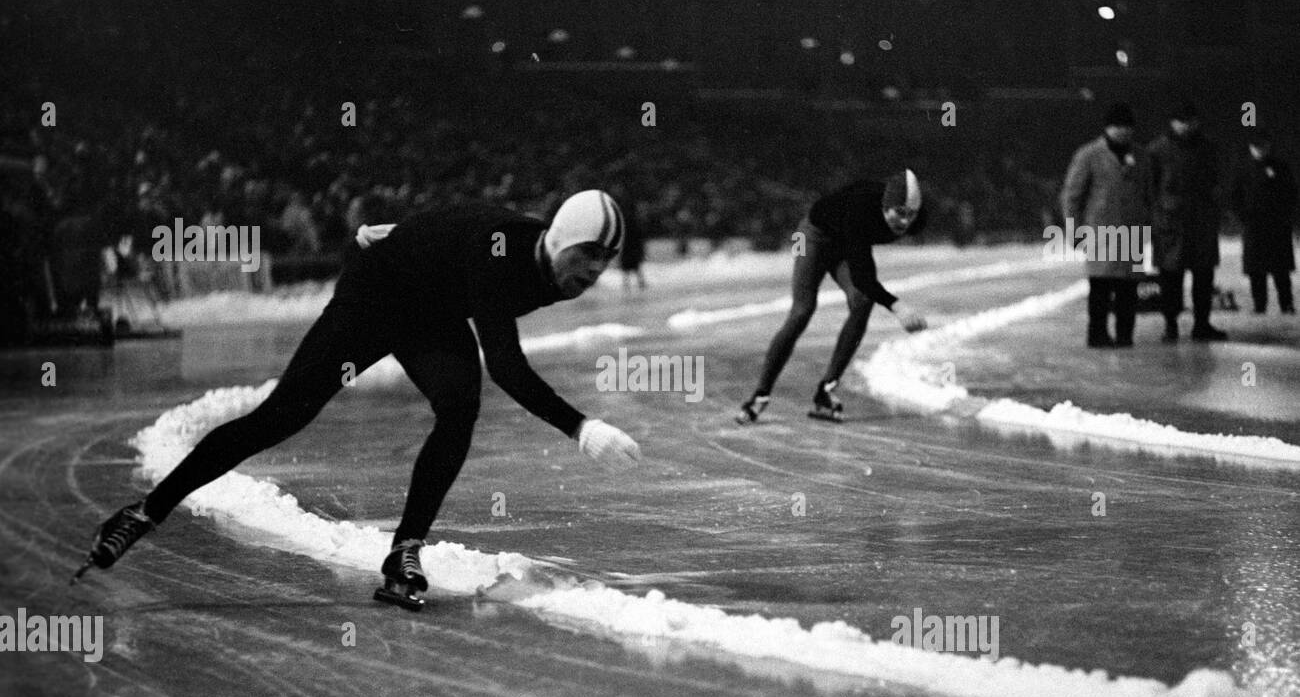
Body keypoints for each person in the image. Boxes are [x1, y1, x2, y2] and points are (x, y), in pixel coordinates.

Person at [77, 190, 642, 608]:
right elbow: (507, 365)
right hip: (376, 295)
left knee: (458, 410)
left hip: (432, 311)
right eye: (589, 253)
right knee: (284, 415)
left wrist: (402, 230)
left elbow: (460, 224)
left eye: (606, 260)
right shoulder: (506, 258)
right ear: (563, 238)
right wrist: (579, 426)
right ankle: (144, 512)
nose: (593, 271)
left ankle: (404, 550)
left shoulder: (545, 257)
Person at [737, 170, 928, 424]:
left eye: (911, 214)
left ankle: (826, 390)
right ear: (885, 205)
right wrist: (897, 306)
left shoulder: (916, 218)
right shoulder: (860, 213)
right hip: (807, 235)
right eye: (899, 213)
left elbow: (862, 276)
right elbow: (863, 277)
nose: (905, 222)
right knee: (802, 310)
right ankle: (760, 394)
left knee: (862, 301)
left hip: (843, 241)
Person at [1060, 102, 1151, 347]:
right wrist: (1075, 231)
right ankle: (1097, 334)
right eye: (1117, 126)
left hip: (1131, 232)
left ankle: (1125, 335)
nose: (1123, 131)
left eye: (1127, 127)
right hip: (1099, 232)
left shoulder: (1141, 156)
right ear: (1107, 128)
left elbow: (1148, 193)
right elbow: (1072, 196)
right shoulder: (1088, 155)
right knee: (1100, 287)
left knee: (1128, 289)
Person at [1147, 100, 1227, 342]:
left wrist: (1215, 209)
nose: (1186, 126)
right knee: (1170, 278)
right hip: (1170, 225)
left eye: (1190, 121)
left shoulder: (1208, 148)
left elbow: (1218, 181)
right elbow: (1150, 188)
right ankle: (1170, 325)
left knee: (1204, 278)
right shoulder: (1157, 150)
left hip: (1201, 222)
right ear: (1172, 122)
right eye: (1181, 121)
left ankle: (1201, 324)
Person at [1231, 127, 1296, 314]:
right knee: (1256, 270)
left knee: (1280, 270)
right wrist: (1244, 217)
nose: (1260, 150)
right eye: (1256, 146)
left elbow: (1291, 194)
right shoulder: (1243, 168)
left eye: (1263, 146)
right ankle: (1260, 304)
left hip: (1277, 226)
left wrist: (1286, 217)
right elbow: (1235, 196)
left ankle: (1287, 303)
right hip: (1254, 227)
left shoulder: (1280, 167)